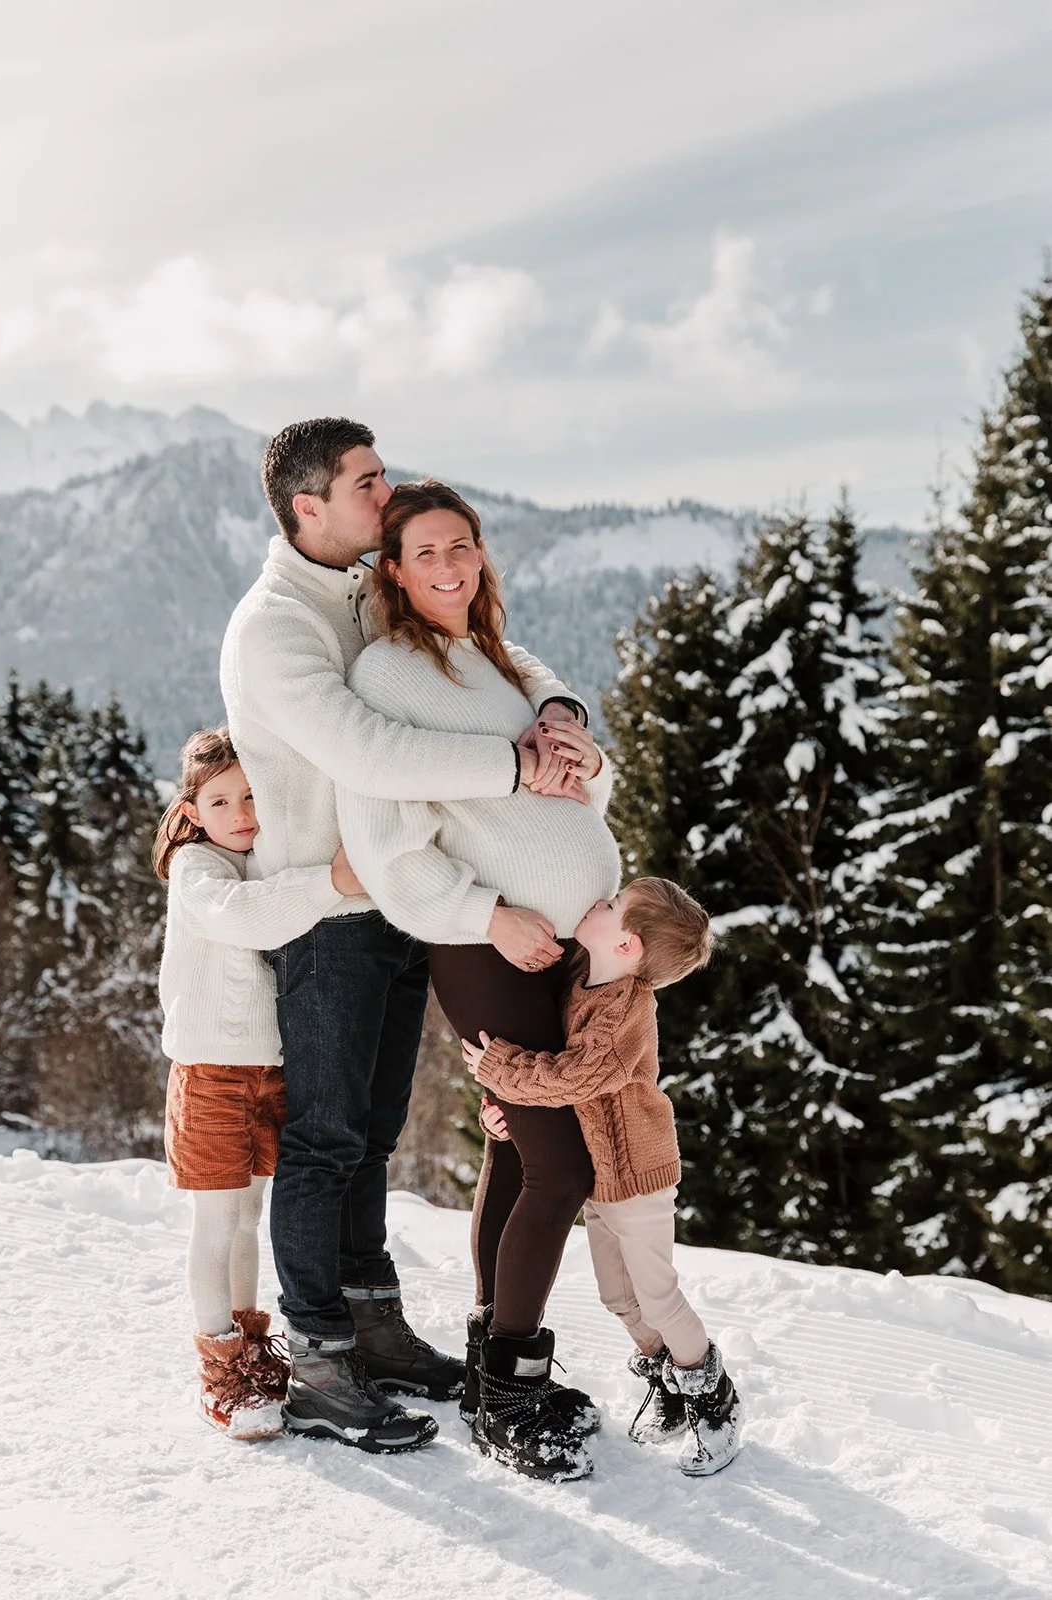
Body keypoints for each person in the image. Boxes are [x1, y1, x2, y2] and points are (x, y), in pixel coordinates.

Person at [220, 418, 590, 1454]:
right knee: (324, 1137)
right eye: (368, 482)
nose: (385, 496)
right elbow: (366, 748)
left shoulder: (356, 587)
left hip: (398, 902)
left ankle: (372, 1325)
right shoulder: (274, 627)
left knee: (372, 1132)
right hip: (328, 911)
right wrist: (515, 768)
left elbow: (476, 638)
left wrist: (555, 706)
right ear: (309, 507)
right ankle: (318, 1357)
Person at [338, 479, 621, 1483]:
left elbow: (561, 788)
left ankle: (488, 1352)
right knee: (562, 1169)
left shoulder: (496, 658)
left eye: (460, 544)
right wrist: (486, 915)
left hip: (560, 950)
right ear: (393, 570)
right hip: (489, 949)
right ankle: (509, 1389)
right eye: (424, 551)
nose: (448, 564)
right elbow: (389, 845)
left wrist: (580, 748)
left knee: (515, 1154)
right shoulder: (387, 675)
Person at [461, 877, 744, 1477]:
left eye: (614, 906)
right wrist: (502, 1108)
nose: (599, 901)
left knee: (658, 1296)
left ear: (627, 946)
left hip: (639, 1177)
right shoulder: (585, 979)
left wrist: (499, 1069)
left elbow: (573, 1077)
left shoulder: (625, 1011)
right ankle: (668, 1378)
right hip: (602, 1177)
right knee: (618, 1296)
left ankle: (714, 1399)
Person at [155, 727, 360, 1440]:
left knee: (247, 1218)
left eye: (252, 796)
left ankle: (248, 1347)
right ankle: (219, 1370)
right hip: (212, 1071)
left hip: (268, 1071)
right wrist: (332, 880)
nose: (241, 813)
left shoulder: (258, 859)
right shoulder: (198, 867)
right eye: (220, 801)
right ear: (191, 812)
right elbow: (242, 917)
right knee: (216, 1223)